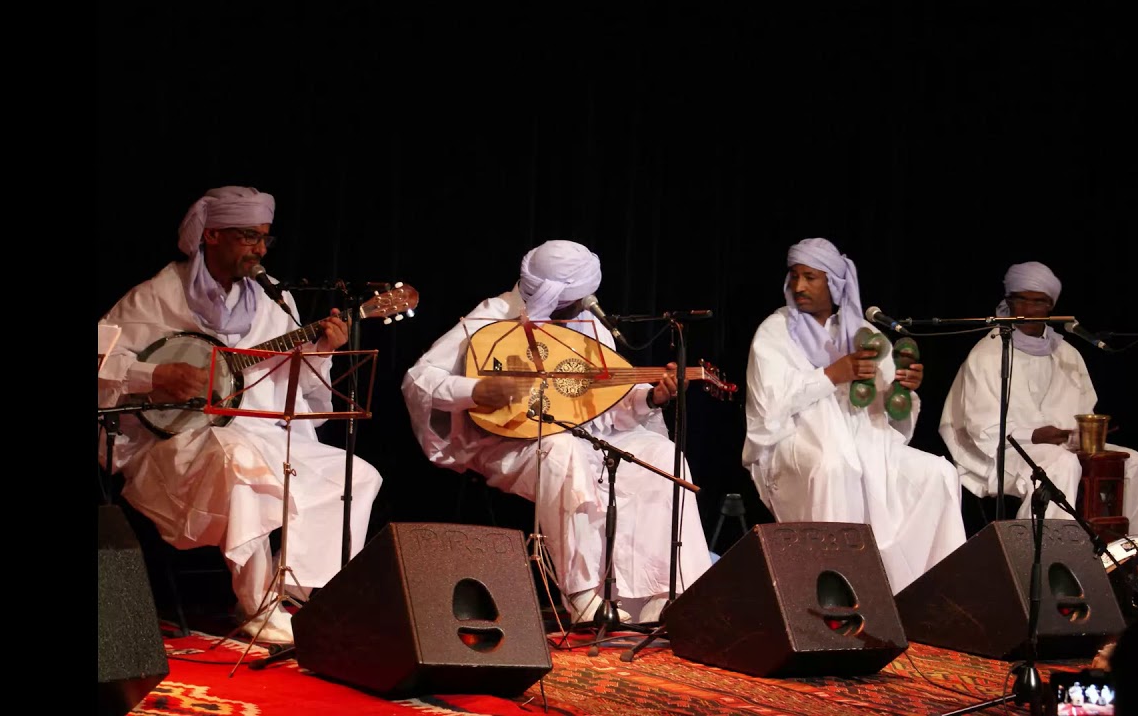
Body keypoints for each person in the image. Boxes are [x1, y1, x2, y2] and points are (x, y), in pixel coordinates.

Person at [97, 186, 384, 644]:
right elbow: (101, 359)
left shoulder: (275, 305)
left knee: (357, 475)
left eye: (265, 238)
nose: (260, 249)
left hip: (261, 432)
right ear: (211, 235)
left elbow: (306, 395)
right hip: (177, 444)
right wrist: (153, 375)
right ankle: (257, 607)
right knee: (241, 463)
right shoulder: (156, 297)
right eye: (248, 236)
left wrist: (322, 351)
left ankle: (297, 594)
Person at [401, 239, 713, 625]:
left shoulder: (587, 324)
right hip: (511, 440)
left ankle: (666, 593)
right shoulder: (493, 316)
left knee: (661, 455)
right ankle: (584, 597)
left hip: (587, 436)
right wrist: (475, 390)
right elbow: (418, 381)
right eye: (574, 300)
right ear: (550, 294)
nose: (583, 306)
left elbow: (606, 404)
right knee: (561, 450)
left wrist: (650, 399)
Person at [741, 237, 966, 594]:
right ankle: (837, 597)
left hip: (868, 443)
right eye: (795, 276)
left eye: (810, 277)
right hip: (795, 444)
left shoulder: (867, 333)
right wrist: (832, 374)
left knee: (938, 473)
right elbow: (769, 410)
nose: (799, 286)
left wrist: (903, 391)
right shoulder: (775, 331)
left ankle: (932, 598)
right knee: (836, 467)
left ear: (834, 283)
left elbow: (893, 420)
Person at [938, 261, 1138, 537]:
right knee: (1059, 464)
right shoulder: (989, 353)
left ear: (1051, 306)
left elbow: (1083, 410)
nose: (1030, 310)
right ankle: (1044, 560)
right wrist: (1036, 434)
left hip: (1064, 448)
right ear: (1009, 302)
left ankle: (1135, 554)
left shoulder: (1068, 354)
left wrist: (1080, 436)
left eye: (1039, 302)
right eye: (1023, 300)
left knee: (1134, 461)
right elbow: (981, 427)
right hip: (999, 453)